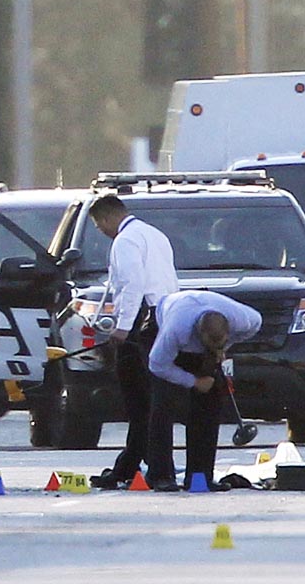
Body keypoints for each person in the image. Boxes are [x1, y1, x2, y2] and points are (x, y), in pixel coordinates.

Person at [86, 195, 179, 489]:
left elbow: (132, 285)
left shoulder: (125, 241)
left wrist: (123, 328)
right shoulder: (155, 235)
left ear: (106, 218)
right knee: (149, 398)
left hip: (141, 323)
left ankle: (155, 468)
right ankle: (131, 464)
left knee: (139, 399)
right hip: (164, 316)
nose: (101, 231)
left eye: (99, 225)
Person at [145, 289, 262, 493]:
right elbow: (157, 365)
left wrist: (223, 349)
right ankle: (160, 475)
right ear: (199, 335)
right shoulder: (176, 330)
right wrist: (193, 381)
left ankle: (200, 476)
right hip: (159, 325)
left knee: (210, 406)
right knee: (164, 405)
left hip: (209, 337)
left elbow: (256, 325)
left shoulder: (243, 318)